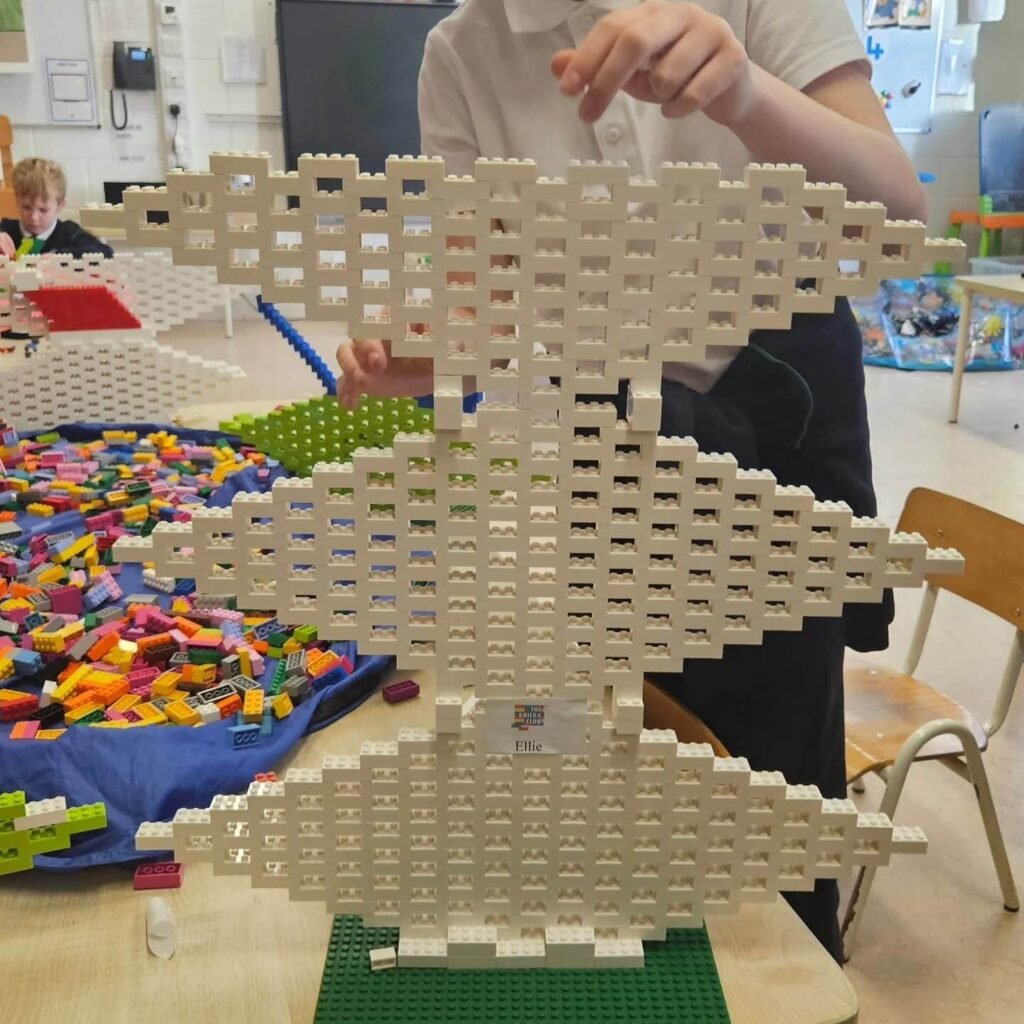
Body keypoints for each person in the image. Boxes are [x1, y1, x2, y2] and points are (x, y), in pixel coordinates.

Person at [336, 0, 924, 961]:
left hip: (774, 436)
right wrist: (434, 359)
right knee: (626, 738)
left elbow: (898, 218)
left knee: (776, 782)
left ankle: (794, 964)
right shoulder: (462, 52)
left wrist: (742, 92)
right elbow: (489, 304)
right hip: (603, 458)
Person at [0, 157, 113, 260]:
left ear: (60, 205)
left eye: (43, 210)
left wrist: (59, 257)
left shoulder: (68, 232)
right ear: (17, 200)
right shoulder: (6, 229)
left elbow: (106, 253)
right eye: (26, 207)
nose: (34, 217)